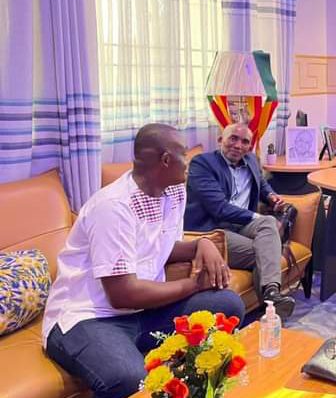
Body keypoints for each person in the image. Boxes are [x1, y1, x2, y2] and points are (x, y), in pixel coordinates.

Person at [43, 123, 245, 398]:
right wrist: (195, 285)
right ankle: (125, 356)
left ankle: (191, 386)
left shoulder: (174, 192)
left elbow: (157, 249)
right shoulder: (113, 207)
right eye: (184, 154)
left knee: (227, 306)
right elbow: (123, 294)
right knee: (129, 377)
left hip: (142, 313)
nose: (189, 161)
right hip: (88, 318)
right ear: (166, 160)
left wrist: (202, 244)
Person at [184, 123, 296, 320]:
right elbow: (219, 208)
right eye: (233, 138)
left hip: (241, 226)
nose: (238, 145)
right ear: (220, 140)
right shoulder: (202, 164)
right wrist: (256, 216)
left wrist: (271, 197)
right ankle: (271, 302)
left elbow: (262, 184)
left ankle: (271, 294)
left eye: (245, 142)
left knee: (268, 223)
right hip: (212, 231)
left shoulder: (251, 160)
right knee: (266, 251)